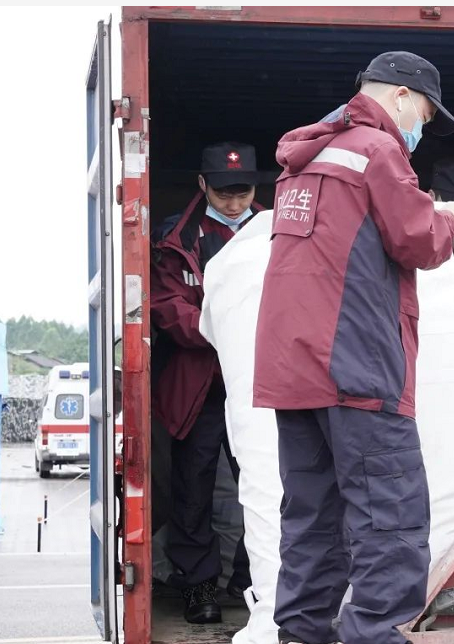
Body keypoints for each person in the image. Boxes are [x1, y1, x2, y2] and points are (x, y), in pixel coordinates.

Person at [252, 51, 454, 644]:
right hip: (357, 367)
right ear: (401, 97)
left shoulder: (304, 158)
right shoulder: (377, 151)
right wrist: (452, 218)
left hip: (295, 371)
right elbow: (417, 240)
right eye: (424, 115)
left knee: (312, 523)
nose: (421, 129)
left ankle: (301, 635)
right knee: (391, 522)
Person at [151, 142, 260, 624]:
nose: (234, 203)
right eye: (223, 192)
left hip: (260, 383)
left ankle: (253, 579)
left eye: (243, 192)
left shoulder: (276, 230)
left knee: (267, 485)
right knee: (193, 489)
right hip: (197, 385)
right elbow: (166, 308)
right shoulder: (176, 237)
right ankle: (197, 587)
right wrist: (225, 330)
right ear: (202, 184)